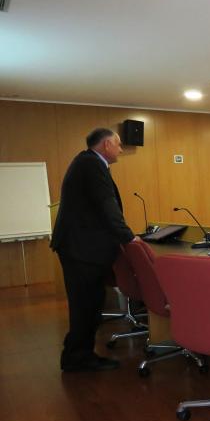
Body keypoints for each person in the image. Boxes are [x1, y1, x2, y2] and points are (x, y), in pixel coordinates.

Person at [51, 128, 138, 372]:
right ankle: (78, 357)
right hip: (82, 249)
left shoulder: (87, 162)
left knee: (88, 303)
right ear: (107, 144)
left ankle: (76, 353)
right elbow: (106, 206)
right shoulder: (91, 165)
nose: (121, 149)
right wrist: (130, 239)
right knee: (85, 305)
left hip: (81, 247)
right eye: (119, 144)